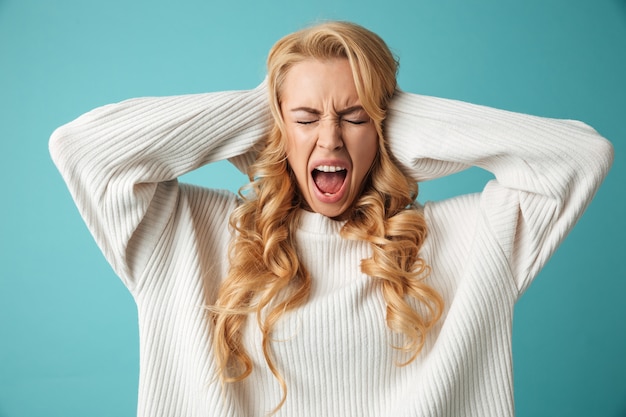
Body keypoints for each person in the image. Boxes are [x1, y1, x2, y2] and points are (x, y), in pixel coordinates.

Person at [49, 21, 613, 417]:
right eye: (306, 118)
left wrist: (394, 117)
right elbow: (82, 148)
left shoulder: (465, 241)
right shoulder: (184, 234)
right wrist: (265, 107)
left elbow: (579, 155)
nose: (329, 138)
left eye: (354, 117)